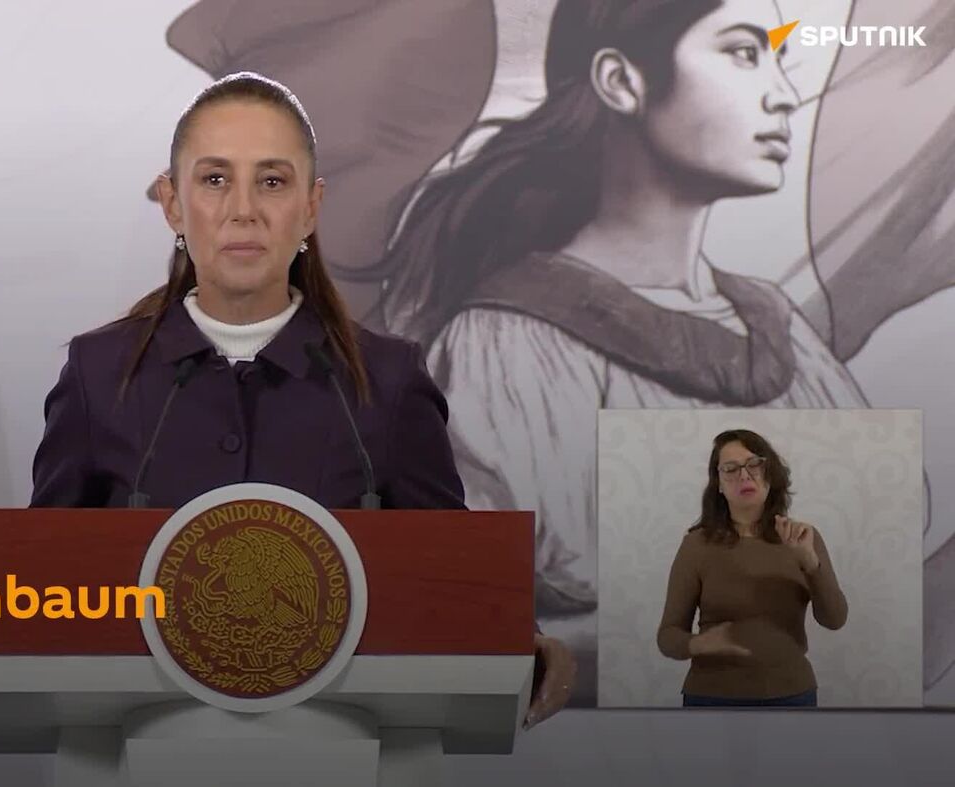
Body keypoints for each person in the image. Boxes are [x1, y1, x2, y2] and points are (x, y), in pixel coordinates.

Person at [0, 72, 576, 729]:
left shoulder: (388, 381)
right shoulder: (99, 375)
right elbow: (43, 587)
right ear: (172, 203)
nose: (243, 209)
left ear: (311, 206)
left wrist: (522, 643)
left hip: (343, 753)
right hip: (141, 752)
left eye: (272, 181)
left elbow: (457, 584)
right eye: (215, 179)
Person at [373, 0, 871, 704]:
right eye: (743, 52)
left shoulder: (782, 331)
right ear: (621, 81)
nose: (785, 95)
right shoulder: (507, 346)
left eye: (780, 59)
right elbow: (464, 620)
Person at [656, 429, 848, 707]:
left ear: (770, 474)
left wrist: (809, 562)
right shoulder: (697, 545)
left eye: (754, 464)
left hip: (792, 695)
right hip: (712, 697)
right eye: (731, 469)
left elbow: (835, 619)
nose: (744, 475)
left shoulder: (803, 537)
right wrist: (697, 644)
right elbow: (668, 634)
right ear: (718, 485)